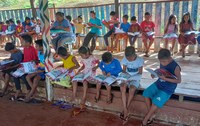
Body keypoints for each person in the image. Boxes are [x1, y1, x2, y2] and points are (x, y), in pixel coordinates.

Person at [142, 49, 181, 126]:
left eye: (164, 62)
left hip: (168, 88)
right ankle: (151, 114)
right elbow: (161, 70)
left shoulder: (176, 67)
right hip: (159, 83)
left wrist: (165, 79)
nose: (163, 63)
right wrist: (154, 73)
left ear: (170, 58)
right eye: (161, 62)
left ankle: (146, 118)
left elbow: (179, 81)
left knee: (155, 101)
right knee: (145, 93)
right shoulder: (163, 61)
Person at [119, 46, 144, 123]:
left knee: (132, 89)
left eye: (130, 58)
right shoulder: (125, 59)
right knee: (122, 87)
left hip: (135, 78)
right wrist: (126, 77)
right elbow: (124, 71)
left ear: (134, 55)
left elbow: (140, 73)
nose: (128, 60)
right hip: (126, 77)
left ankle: (125, 109)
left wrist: (131, 78)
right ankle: (125, 109)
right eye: (127, 58)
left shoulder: (140, 60)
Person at [12, 34, 38, 100]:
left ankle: (29, 89)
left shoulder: (33, 49)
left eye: (22, 41)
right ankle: (18, 89)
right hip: (25, 66)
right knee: (15, 75)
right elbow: (25, 59)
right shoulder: (24, 49)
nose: (21, 42)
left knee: (24, 76)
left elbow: (36, 61)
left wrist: (31, 63)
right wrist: (21, 65)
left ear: (28, 43)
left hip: (31, 67)